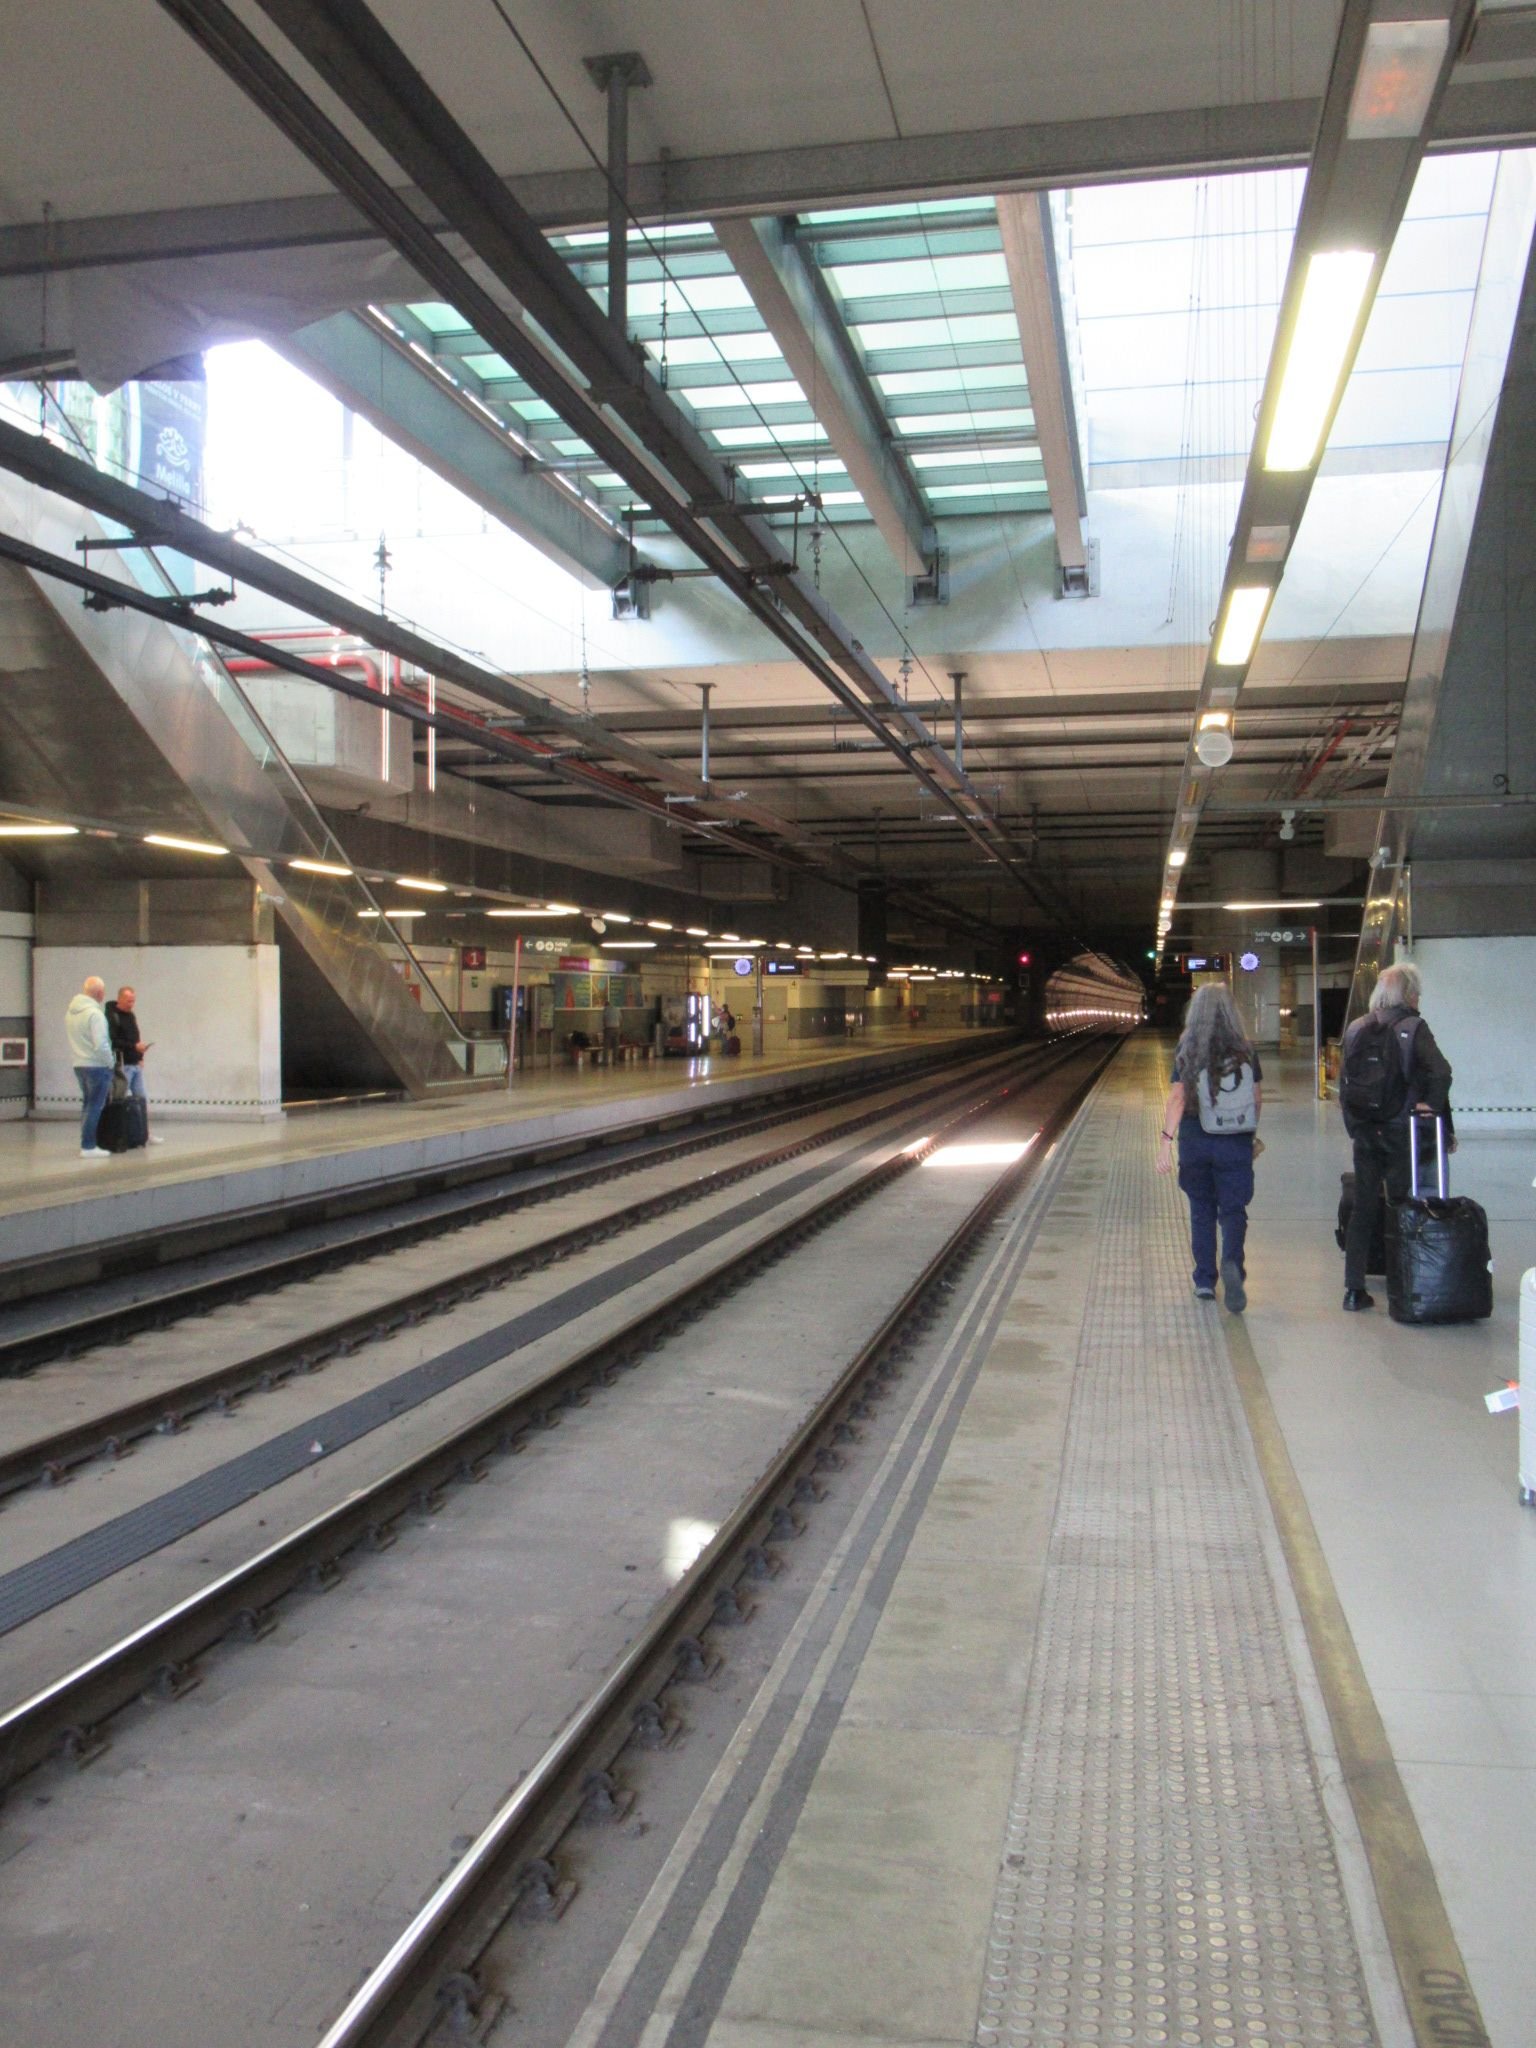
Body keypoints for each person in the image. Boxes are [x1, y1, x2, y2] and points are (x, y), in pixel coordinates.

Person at [1338, 960, 1453, 1312]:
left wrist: (1356, 1126)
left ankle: (1354, 1289)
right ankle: (1404, 1282)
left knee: (1364, 1206)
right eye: (1417, 992)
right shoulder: (1413, 1027)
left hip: (1366, 1131)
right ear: (1410, 994)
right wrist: (1429, 1109)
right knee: (1402, 1202)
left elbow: (1345, 1083)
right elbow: (1442, 1072)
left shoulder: (1357, 1027)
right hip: (1402, 1131)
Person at [1156, 984, 1262, 1312]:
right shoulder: (1246, 1049)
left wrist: (1165, 1142)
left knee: (1201, 1210)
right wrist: (1249, 1134)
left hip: (1195, 1140)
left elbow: (1177, 1097)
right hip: (1235, 1142)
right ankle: (1232, 1263)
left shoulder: (1187, 1047)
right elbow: (1256, 1097)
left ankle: (1204, 1280)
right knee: (1233, 1210)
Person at [65, 975, 116, 1158]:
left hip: (79, 1065)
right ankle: (88, 1146)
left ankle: (86, 1142)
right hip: (96, 1066)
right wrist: (111, 1062)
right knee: (95, 1106)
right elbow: (101, 1044)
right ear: (100, 993)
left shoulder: (71, 1013)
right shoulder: (95, 1015)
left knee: (87, 1105)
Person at [105, 984, 163, 1143]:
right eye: (128, 1001)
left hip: (134, 1063)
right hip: (123, 1065)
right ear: (120, 999)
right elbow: (114, 1041)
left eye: (133, 1001)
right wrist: (133, 1047)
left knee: (141, 1098)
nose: (131, 1004)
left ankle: (143, 1133)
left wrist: (140, 1055)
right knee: (119, 1099)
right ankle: (118, 1133)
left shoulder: (131, 1015)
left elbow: (135, 1037)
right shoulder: (112, 1017)